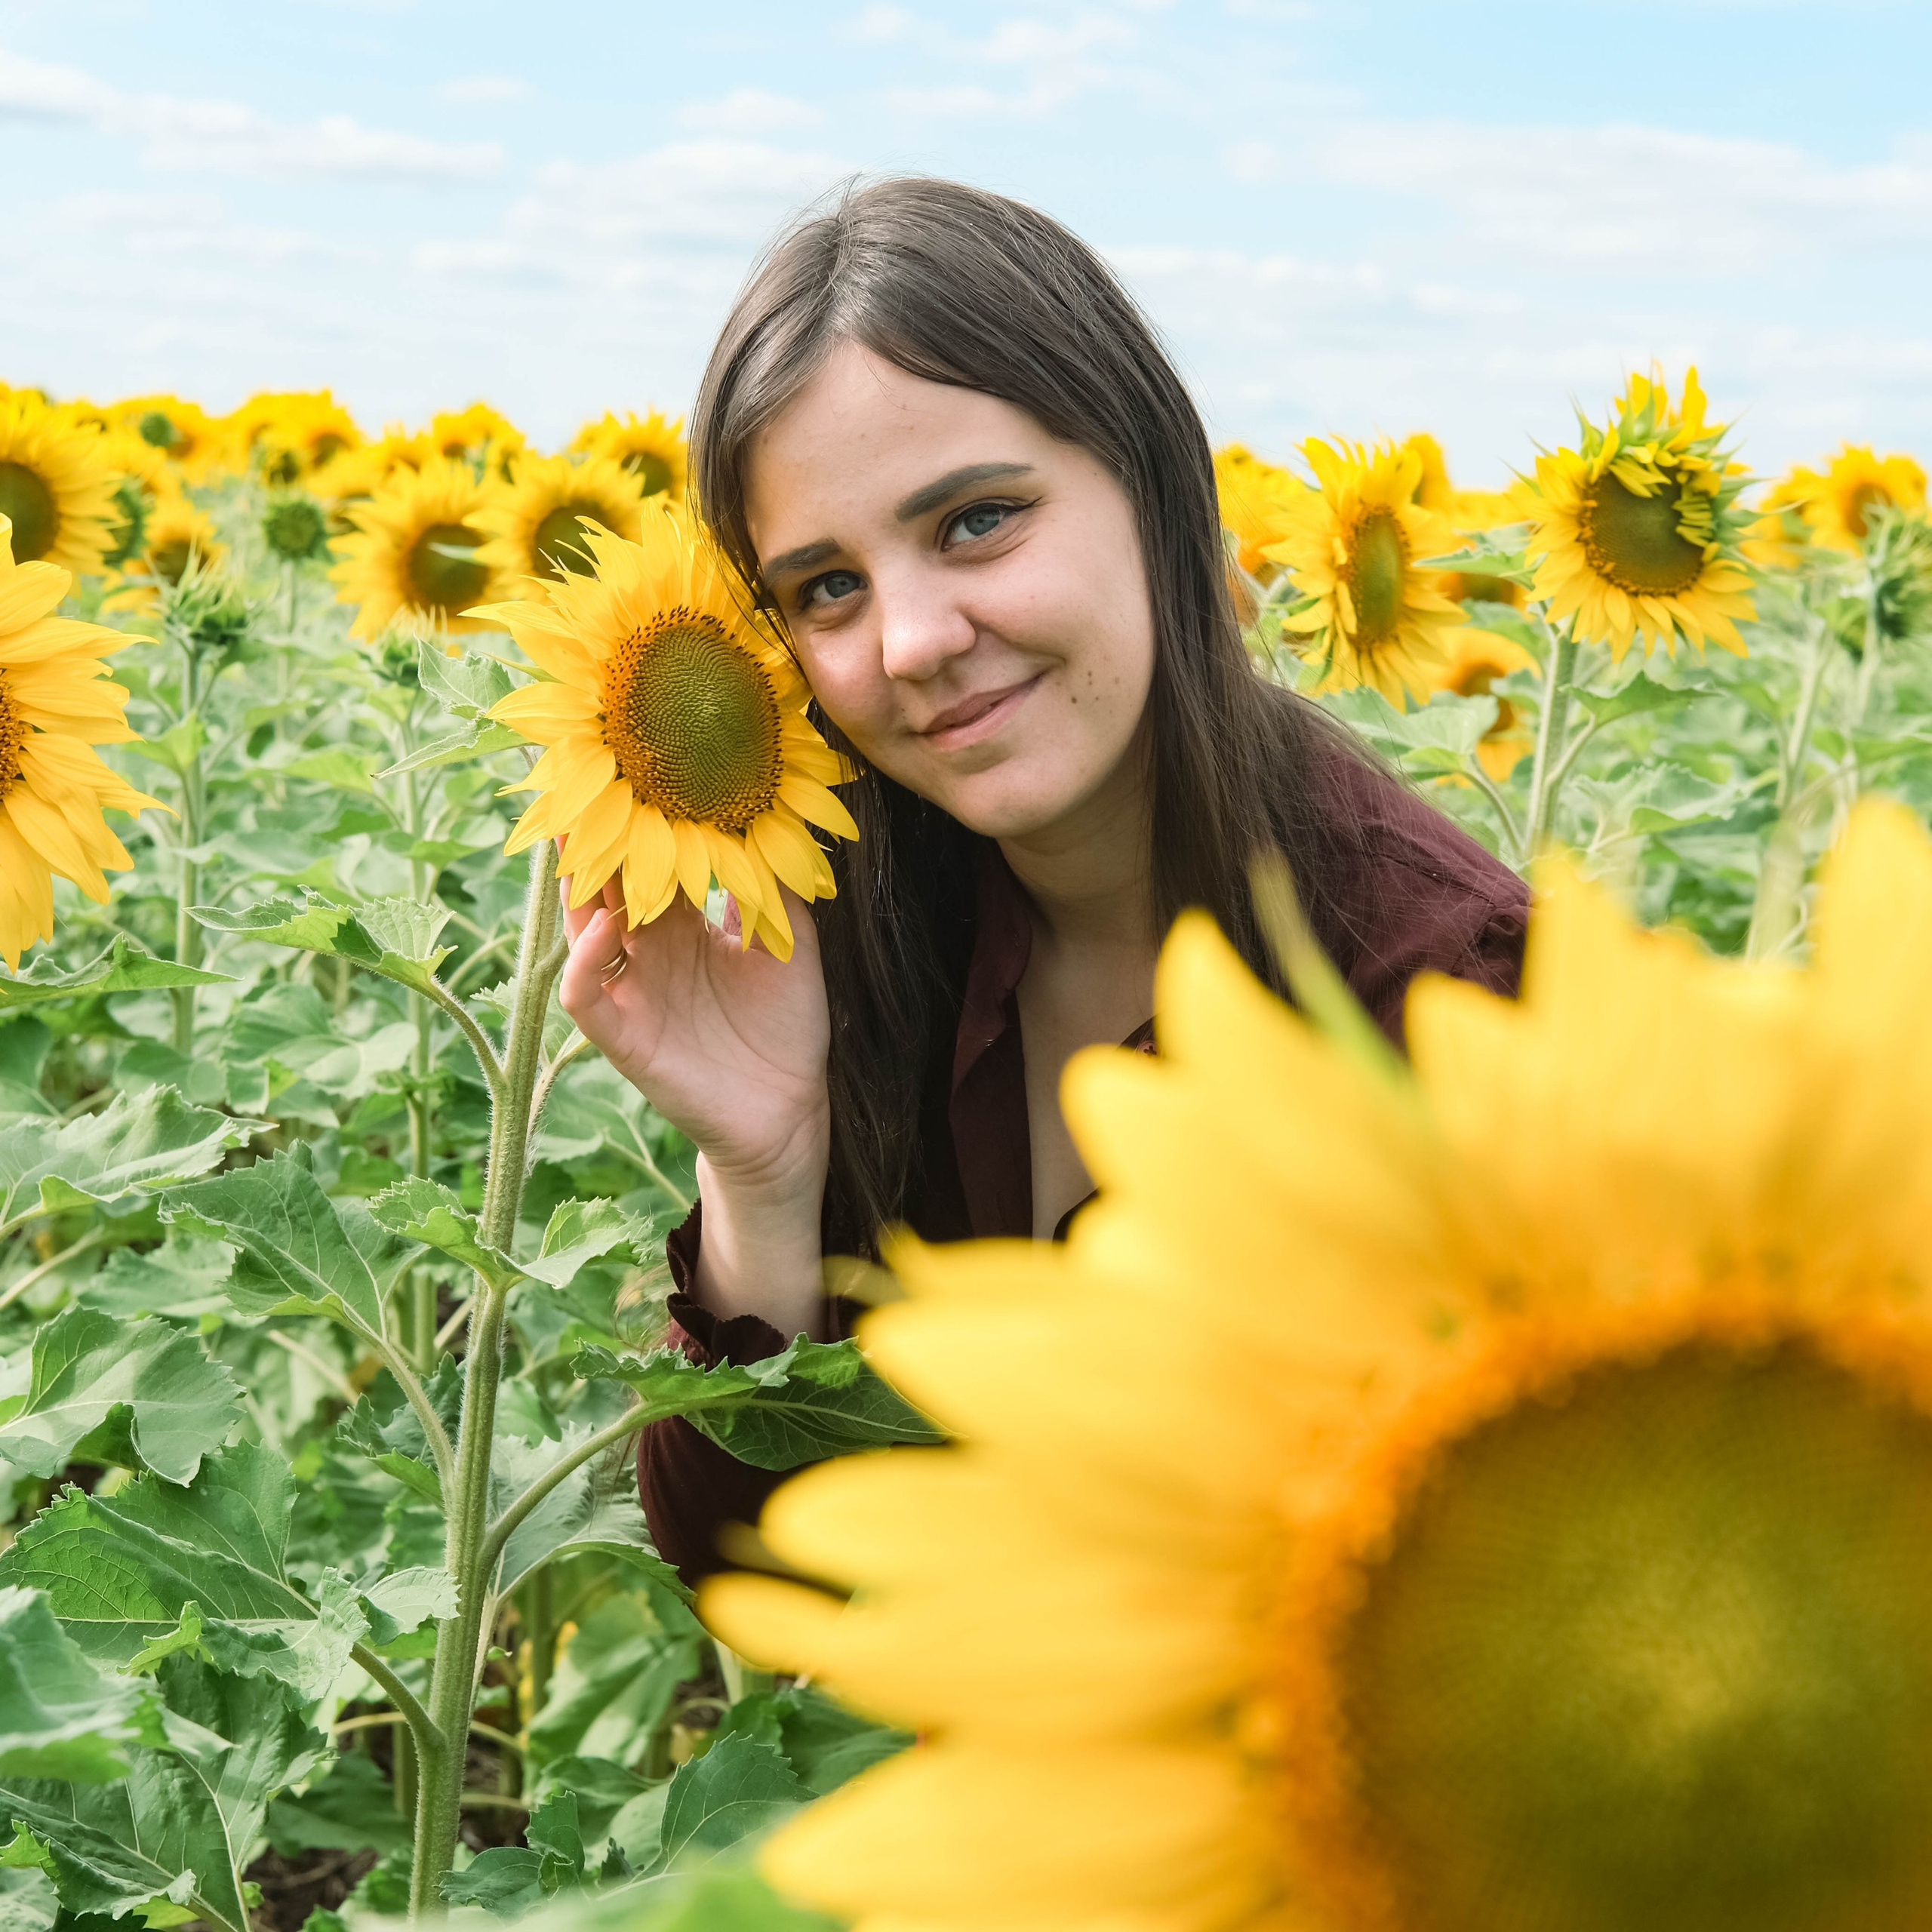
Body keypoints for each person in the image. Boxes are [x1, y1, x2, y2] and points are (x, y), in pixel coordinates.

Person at [555, 177, 1528, 1583]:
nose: (911, 642)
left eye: (975, 522)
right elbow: (755, 1570)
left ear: (1155, 483)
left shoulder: (1446, 1004)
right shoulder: (862, 923)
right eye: (827, 587)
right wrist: (763, 1175)